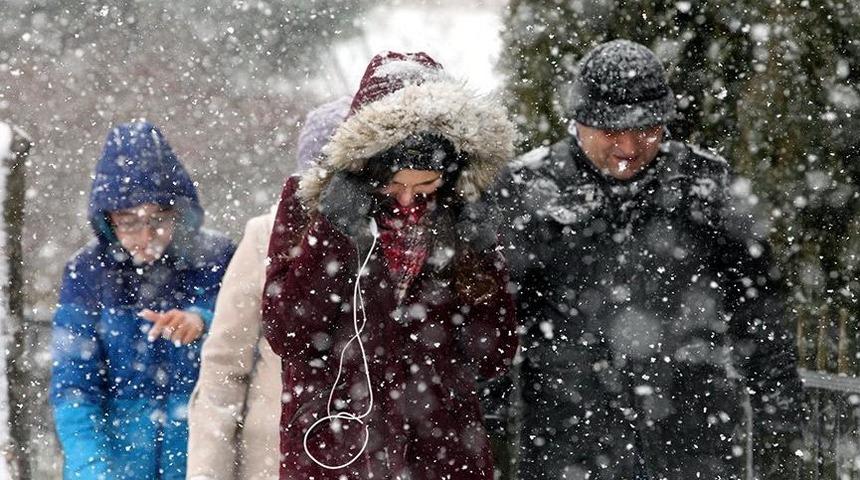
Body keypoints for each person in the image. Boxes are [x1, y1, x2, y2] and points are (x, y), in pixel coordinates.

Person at [495, 40, 803, 479]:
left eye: (646, 131)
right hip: (568, 448)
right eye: (610, 132)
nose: (628, 148)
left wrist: (781, 435)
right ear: (578, 122)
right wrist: (486, 438)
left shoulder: (706, 188)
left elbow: (763, 318)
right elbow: (491, 331)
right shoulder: (528, 192)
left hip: (695, 445)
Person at [262, 51, 519, 480]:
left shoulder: (463, 215)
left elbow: (492, 356)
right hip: (334, 451)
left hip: (442, 455)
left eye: (426, 186)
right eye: (394, 183)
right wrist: (334, 231)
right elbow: (290, 333)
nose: (406, 200)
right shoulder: (307, 202)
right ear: (364, 165)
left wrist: (479, 252)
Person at [50, 121, 235, 480]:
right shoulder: (86, 272)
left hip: (202, 460)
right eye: (129, 222)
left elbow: (250, 336)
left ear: (178, 212)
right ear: (108, 221)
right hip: (116, 464)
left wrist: (203, 322)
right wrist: (93, 470)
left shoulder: (216, 258)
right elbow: (74, 387)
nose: (146, 235)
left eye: (157, 219)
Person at [186, 97, 350, 480]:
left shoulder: (386, 245)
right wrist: (209, 472)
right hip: (272, 459)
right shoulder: (267, 235)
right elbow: (224, 366)